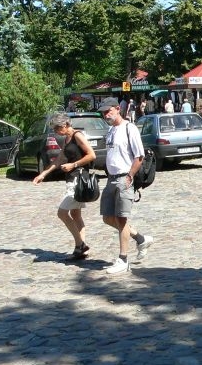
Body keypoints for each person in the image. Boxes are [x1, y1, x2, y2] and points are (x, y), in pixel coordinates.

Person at [97, 97, 154, 274]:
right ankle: (141, 238)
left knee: (122, 220)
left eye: (109, 111)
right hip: (111, 179)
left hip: (124, 178)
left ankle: (123, 260)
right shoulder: (111, 130)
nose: (106, 114)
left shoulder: (129, 128)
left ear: (117, 109)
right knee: (107, 217)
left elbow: (139, 156)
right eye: (104, 112)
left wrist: (130, 175)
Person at [33, 113, 97, 260]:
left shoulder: (77, 136)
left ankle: (80, 244)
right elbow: (60, 159)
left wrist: (73, 164)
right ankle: (80, 249)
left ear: (65, 125)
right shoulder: (67, 139)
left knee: (62, 213)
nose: (56, 132)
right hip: (71, 179)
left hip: (78, 180)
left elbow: (91, 155)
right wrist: (43, 174)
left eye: (57, 128)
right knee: (75, 214)